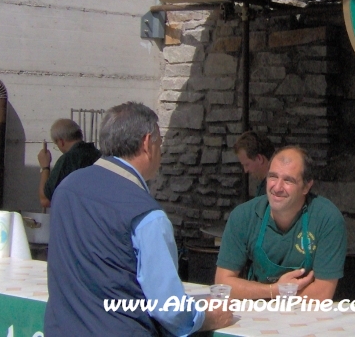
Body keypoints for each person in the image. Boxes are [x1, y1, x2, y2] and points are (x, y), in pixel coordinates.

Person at [45, 102, 232, 336]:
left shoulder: (66, 188)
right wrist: (207, 318)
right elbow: (168, 309)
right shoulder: (146, 215)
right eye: (160, 142)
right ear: (147, 143)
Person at [216, 146, 347, 300]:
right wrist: (276, 290)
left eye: (288, 180)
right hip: (256, 311)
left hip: (306, 315)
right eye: (272, 177)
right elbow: (222, 285)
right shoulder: (243, 216)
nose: (277, 187)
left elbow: (322, 293)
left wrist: (263, 293)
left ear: (306, 186)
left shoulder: (327, 219)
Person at [37, 118, 101, 208]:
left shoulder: (68, 160)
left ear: (61, 141)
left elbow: (46, 200)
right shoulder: (99, 155)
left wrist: (45, 167)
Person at [233, 130, 275, 197]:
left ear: (259, 158)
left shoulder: (273, 190)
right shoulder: (264, 187)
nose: (246, 170)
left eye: (247, 164)